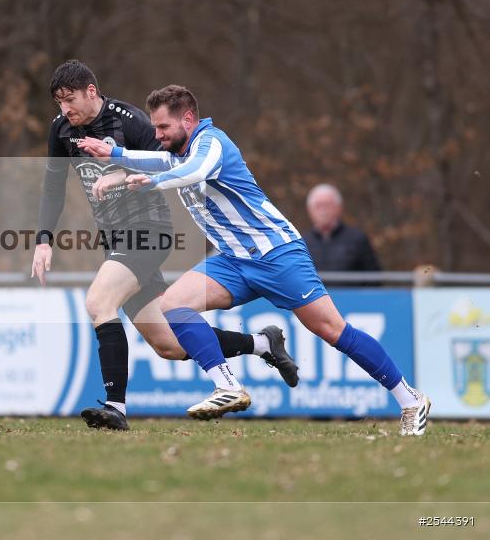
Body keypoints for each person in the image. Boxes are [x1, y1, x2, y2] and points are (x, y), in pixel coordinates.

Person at [80, 85, 430, 435]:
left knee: (332, 330)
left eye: (163, 128)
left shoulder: (211, 143)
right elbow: (155, 159)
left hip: (277, 254)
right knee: (173, 304)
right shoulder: (180, 151)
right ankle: (227, 386)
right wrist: (114, 152)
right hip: (233, 260)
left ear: (188, 119)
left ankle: (410, 398)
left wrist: (151, 183)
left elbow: (192, 172)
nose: (157, 136)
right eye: (154, 129)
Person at [34, 61, 298, 431]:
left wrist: (120, 170)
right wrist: (44, 240)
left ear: (91, 92)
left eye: (71, 99)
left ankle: (115, 408)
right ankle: (261, 344)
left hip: (148, 231)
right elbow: (52, 187)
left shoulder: (129, 120)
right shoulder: (60, 131)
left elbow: (170, 163)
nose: (65, 109)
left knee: (99, 303)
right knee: (169, 345)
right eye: (59, 103)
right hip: (115, 239)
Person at [303, 183, 382, 272]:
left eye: (327, 205)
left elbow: (374, 278)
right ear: (309, 210)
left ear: (339, 207)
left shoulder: (357, 239)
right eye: (318, 206)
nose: (323, 210)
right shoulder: (303, 243)